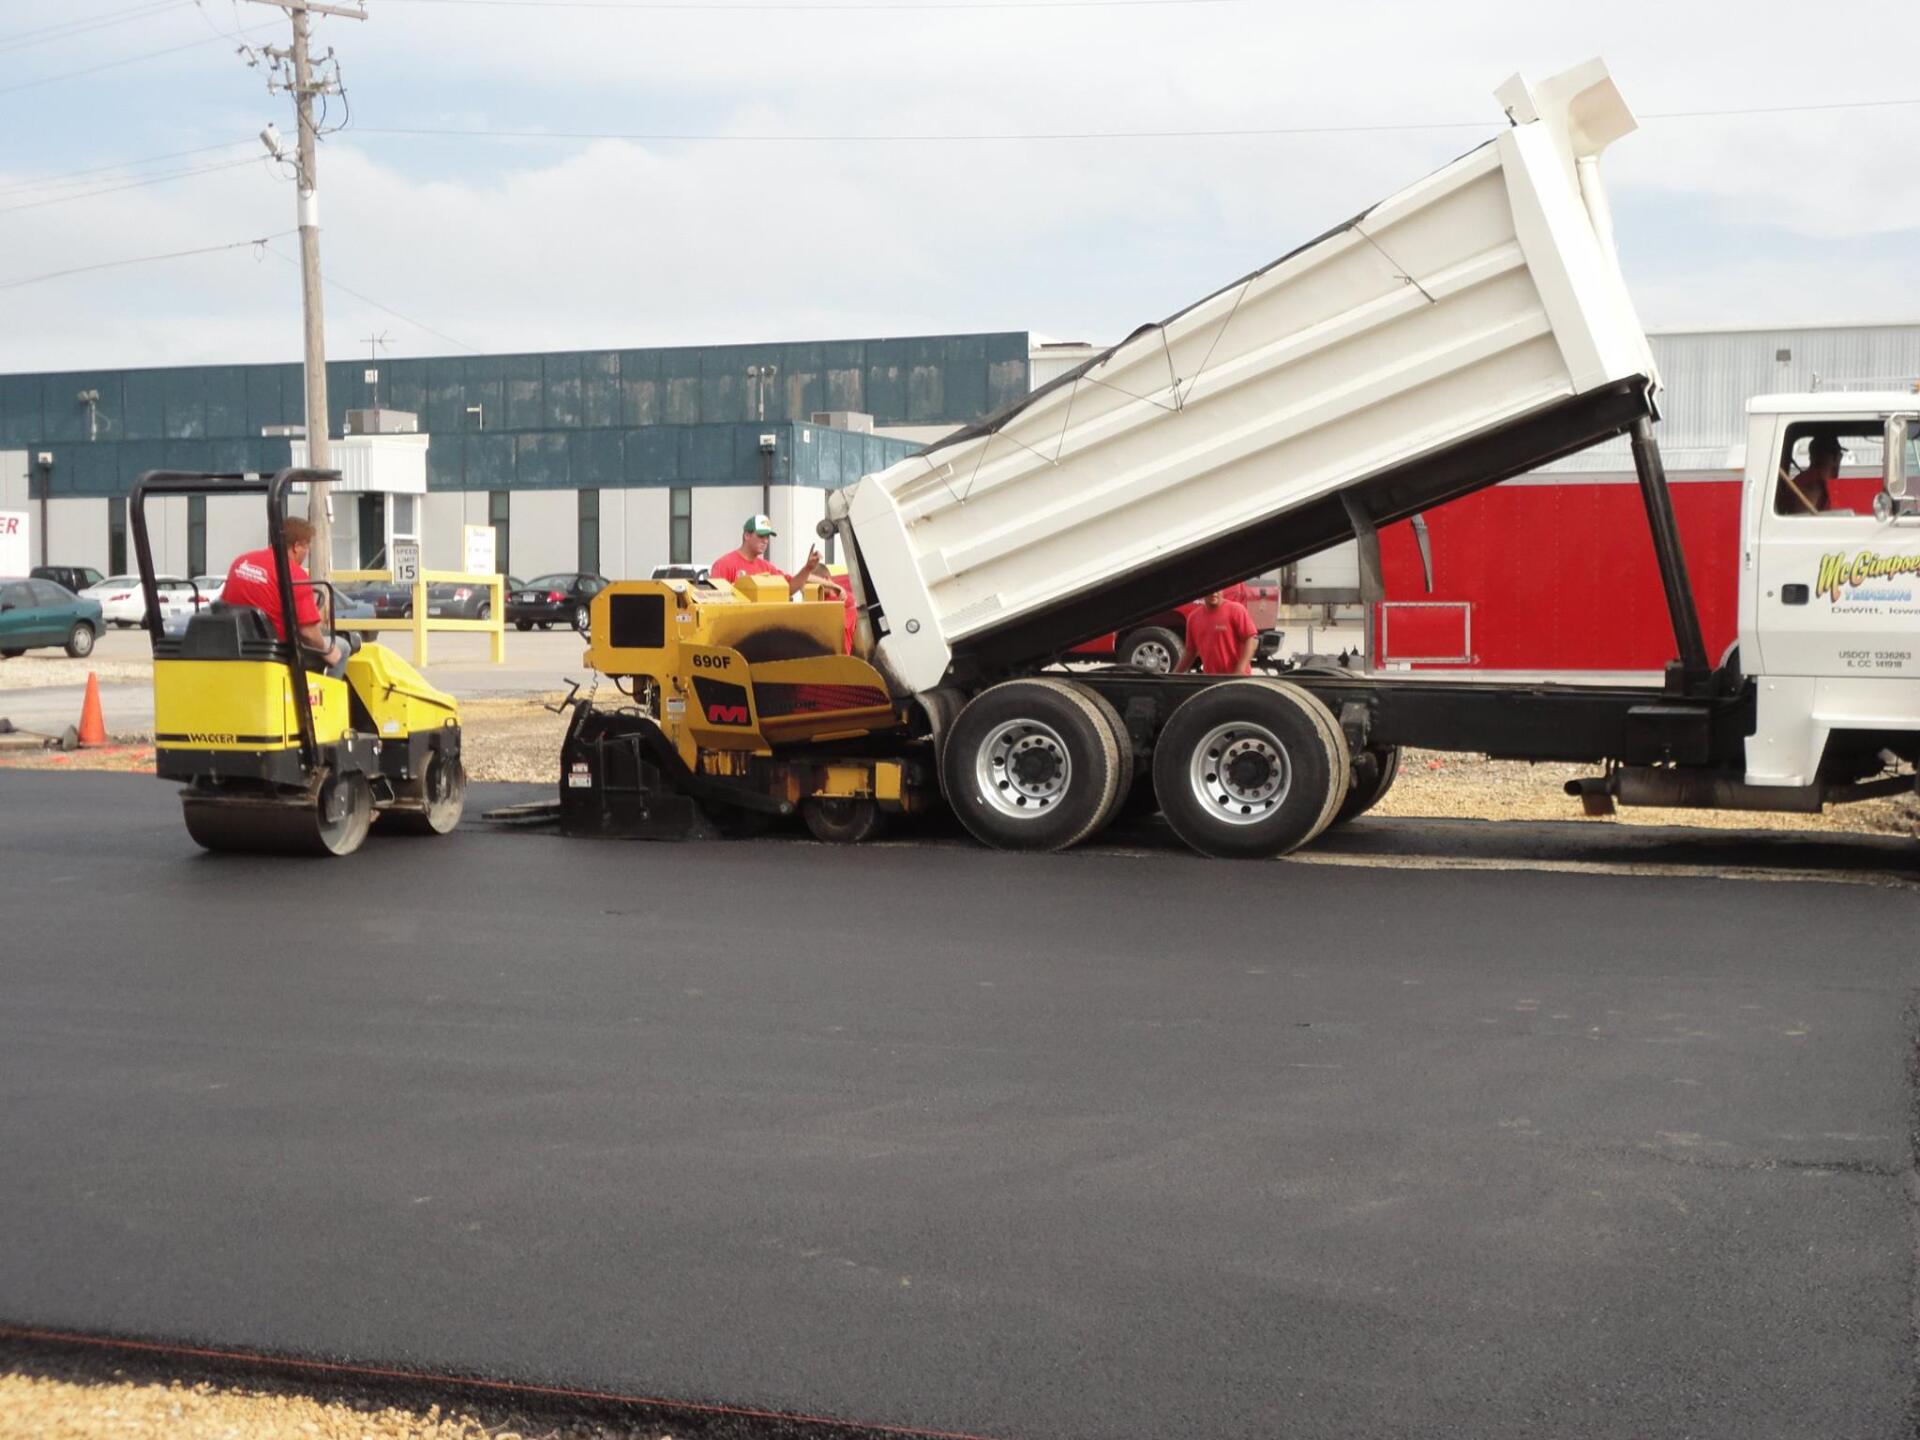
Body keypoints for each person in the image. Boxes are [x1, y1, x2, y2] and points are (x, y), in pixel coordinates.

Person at [220, 515, 355, 677]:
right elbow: (308, 632)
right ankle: (323, 700)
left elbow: (223, 603)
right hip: (278, 650)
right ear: (297, 546)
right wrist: (328, 652)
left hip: (242, 645)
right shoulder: (293, 574)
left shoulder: (241, 562)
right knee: (342, 647)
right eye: (307, 548)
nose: (306, 555)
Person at [1173, 588, 1259, 675]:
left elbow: (1252, 639)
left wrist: (1240, 670)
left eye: (1217, 589)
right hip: (1211, 679)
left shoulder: (1236, 610)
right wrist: (1174, 675)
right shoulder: (1194, 618)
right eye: (1209, 590)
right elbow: (1190, 651)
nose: (1214, 593)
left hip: (1235, 679)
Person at [1777, 434, 1841, 515]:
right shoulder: (1812, 485)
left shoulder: (1805, 479)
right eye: (1840, 455)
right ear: (1835, 457)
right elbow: (1804, 519)